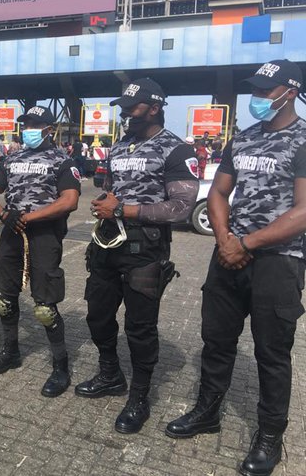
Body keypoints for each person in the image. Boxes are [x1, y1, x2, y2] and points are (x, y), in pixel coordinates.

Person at [166, 60, 306, 476]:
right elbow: (218, 193)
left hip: (279, 261)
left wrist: (246, 243)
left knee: (271, 353)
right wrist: (225, 240)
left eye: (265, 91)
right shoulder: (242, 139)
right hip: (228, 256)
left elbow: (303, 211)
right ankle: (207, 411)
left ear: (290, 92)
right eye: (255, 90)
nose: (256, 98)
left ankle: (270, 436)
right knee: (216, 340)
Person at [76, 78, 199, 434]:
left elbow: (181, 208)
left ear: (155, 108)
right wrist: (105, 204)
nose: (126, 114)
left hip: (145, 250)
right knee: (98, 315)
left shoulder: (177, 150)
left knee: (140, 327)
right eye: (125, 109)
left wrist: (123, 209)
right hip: (107, 245)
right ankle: (110, 374)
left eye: (133, 108)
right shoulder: (119, 146)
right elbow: (109, 190)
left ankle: (140, 396)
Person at [0, 106, 81, 397]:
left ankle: (60, 365)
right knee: (4, 299)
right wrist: (3, 214)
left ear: (49, 129)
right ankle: (10, 351)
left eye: (35, 125)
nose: (29, 130)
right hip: (11, 232)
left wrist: (29, 217)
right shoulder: (12, 158)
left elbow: (70, 200)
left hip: (44, 235)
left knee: (45, 307)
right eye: (26, 125)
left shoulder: (62, 161)